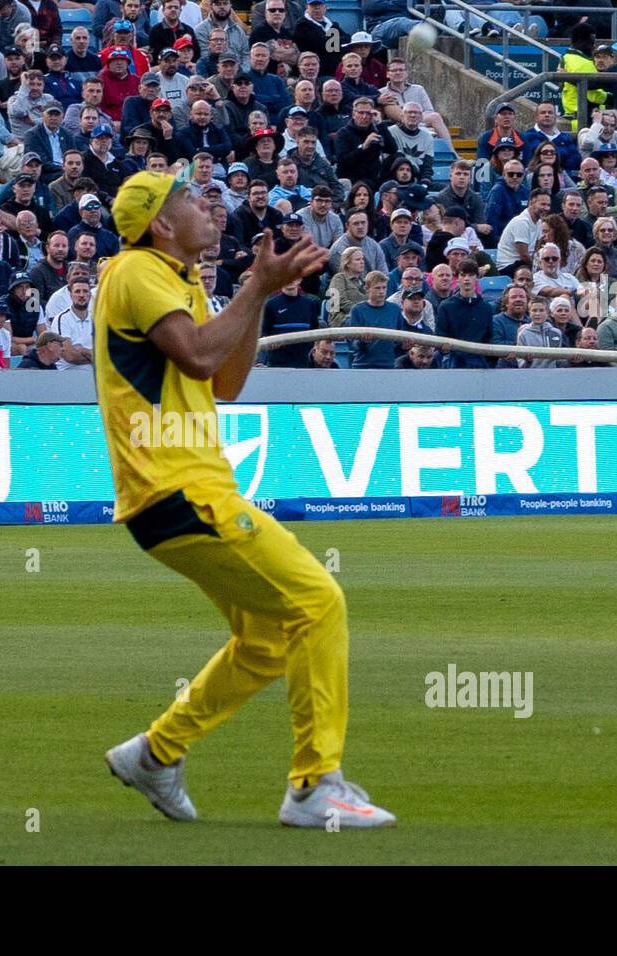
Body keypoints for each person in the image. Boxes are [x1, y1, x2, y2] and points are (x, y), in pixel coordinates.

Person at [97, 168, 392, 828]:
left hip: (182, 494)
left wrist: (257, 298)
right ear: (162, 224)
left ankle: (156, 753)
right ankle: (315, 784)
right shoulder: (137, 269)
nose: (209, 206)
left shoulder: (180, 281)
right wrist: (258, 285)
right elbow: (200, 359)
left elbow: (225, 381)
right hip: (178, 490)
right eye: (192, 200)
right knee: (319, 602)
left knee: (264, 641)